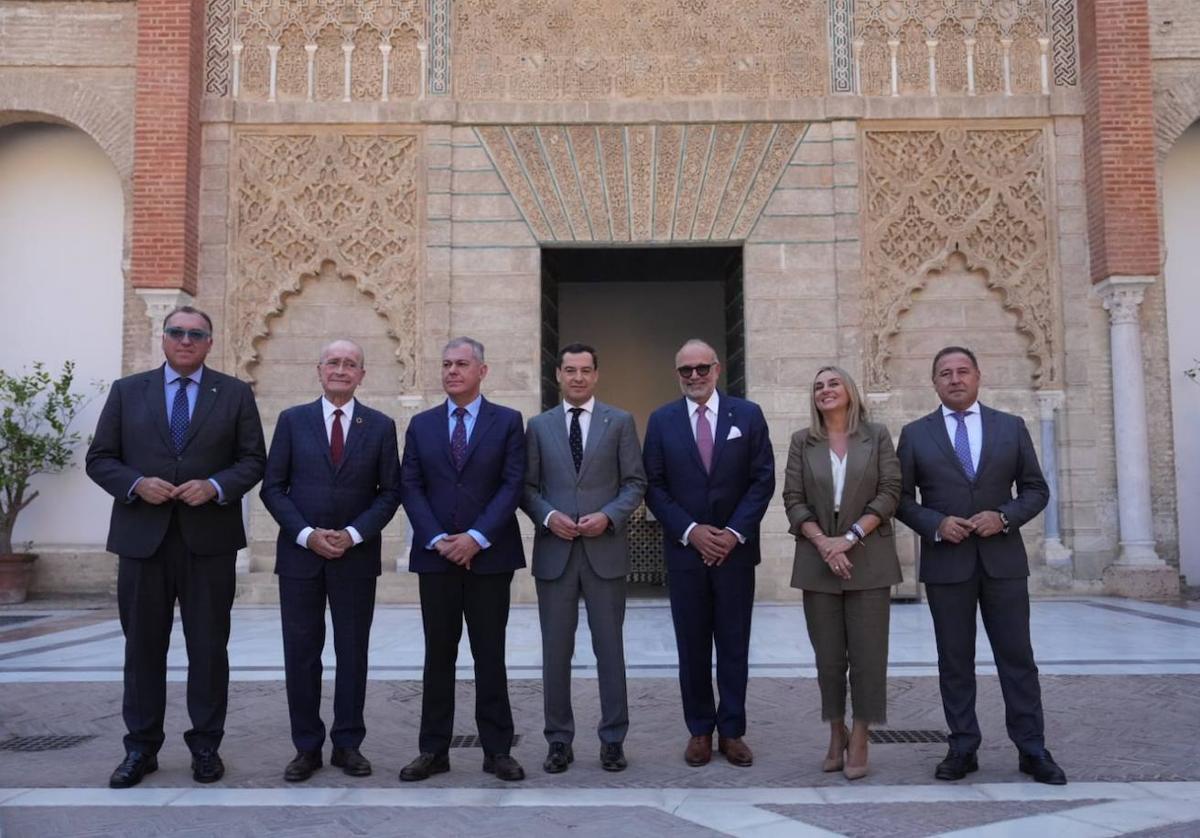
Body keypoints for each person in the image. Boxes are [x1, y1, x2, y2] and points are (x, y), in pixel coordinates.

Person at [85, 306, 266, 788]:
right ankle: (140, 749)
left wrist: (217, 485)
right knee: (143, 648)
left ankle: (206, 747)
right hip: (143, 541)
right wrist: (136, 483)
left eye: (196, 334)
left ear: (210, 342)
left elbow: (253, 461)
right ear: (163, 339)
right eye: (177, 332)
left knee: (209, 649)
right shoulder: (128, 392)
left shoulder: (233, 393)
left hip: (208, 542)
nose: (186, 340)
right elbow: (100, 458)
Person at [896, 346, 1066, 785]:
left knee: (1018, 659)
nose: (954, 379)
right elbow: (898, 499)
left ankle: (1032, 749)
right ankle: (962, 746)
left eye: (962, 371)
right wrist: (935, 523)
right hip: (946, 564)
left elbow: (1036, 490)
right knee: (954, 660)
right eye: (945, 373)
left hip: (1003, 563)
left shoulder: (1010, 427)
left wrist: (1004, 517)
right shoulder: (915, 434)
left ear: (977, 376)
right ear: (934, 382)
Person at [260, 339, 401, 782]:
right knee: (301, 654)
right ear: (319, 370)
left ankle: (348, 744)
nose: (341, 369)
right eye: (334, 363)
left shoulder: (379, 426)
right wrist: (306, 535)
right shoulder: (292, 421)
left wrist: (354, 534)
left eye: (351, 364)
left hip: (354, 559)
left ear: (362, 375)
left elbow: (390, 492)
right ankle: (306, 747)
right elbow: (272, 487)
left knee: (352, 652)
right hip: (301, 558)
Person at [398, 337, 527, 782]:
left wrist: (475, 537)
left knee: (490, 654)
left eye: (462, 364)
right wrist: (438, 539)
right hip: (437, 560)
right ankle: (433, 750)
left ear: (482, 371)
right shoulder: (422, 425)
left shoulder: (508, 422)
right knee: (438, 656)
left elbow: (511, 485)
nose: (452, 371)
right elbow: (410, 486)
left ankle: (497, 751)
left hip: (490, 559)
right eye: (447, 364)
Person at [642, 338, 775, 768]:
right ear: (677, 374)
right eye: (686, 371)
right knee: (692, 646)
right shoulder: (662, 421)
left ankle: (732, 731)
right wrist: (691, 531)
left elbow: (762, 480)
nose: (695, 377)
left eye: (702, 369)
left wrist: (733, 533)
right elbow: (654, 486)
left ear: (717, 370)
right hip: (686, 555)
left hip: (735, 554)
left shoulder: (747, 415)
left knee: (734, 645)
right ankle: (700, 729)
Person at [521, 343, 646, 774]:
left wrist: (608, 517)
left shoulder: (620, 422)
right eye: (569, 370)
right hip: (555, 554)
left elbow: (634, 483)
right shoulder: (538, 426)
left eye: (585, 370)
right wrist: (549, 516)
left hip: (603, 552)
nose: (577, 377)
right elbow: (527, 488)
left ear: (596, 375)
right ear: (558, 374)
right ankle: (558, 741)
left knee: (610, 650)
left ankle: (613, 740)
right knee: (555, 652)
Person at [782, 366, 901, 781]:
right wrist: (823, 543)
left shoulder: (877, 436)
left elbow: (890, 492)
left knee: (868, 656)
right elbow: (793, 500)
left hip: (867, 556)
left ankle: (863, 735)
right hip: (817, 560)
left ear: (850, 391)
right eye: (818, 386)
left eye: (833, 383)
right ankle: (836, 732)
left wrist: (847, 538)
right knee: (828, 659)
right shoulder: (802, 442)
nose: (825, 390)